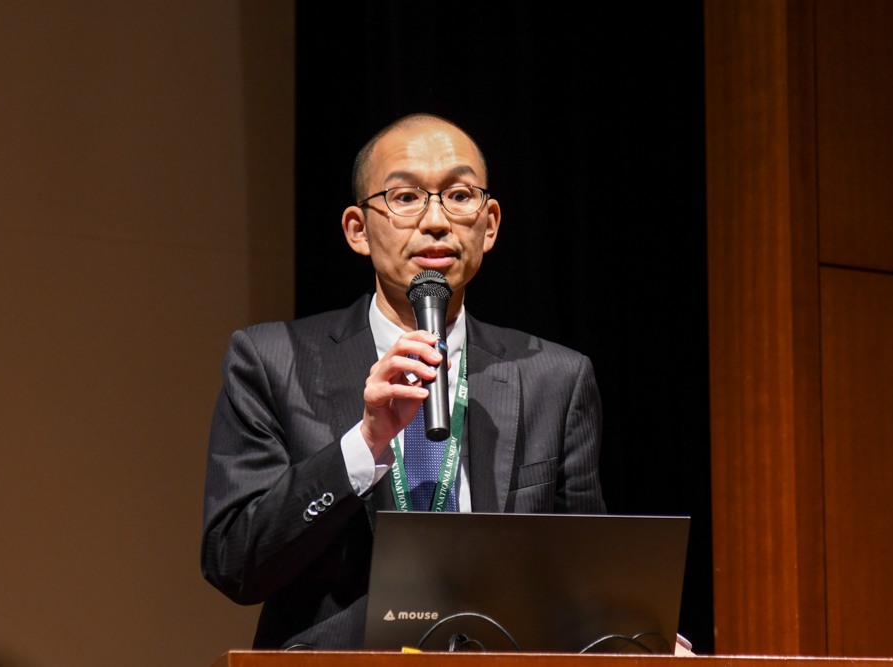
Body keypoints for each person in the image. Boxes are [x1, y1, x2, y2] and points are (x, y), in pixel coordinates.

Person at [201, 114, 605, 650]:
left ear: (489, 226)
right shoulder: (271, 361)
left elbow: (587, 573)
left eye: (459, 195)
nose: (436, 221)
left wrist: (622, 630)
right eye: (406, 197)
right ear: (357, 230)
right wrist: (363, 445)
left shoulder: (556, 377)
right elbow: (234, 562)